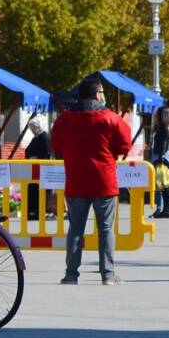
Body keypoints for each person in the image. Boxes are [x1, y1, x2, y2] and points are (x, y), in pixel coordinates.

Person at [51, 77, 131, 286]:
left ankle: (71, 274)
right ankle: (108, 275)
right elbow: (125, 145)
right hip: (104, 181)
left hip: (76, 181)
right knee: (105, 229)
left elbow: (57, 146)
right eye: (103, 92)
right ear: (97, 95)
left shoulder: (64, 120)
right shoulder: (111, 118)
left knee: (76, 228)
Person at [24, 116, 53, 221]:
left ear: (37, 126)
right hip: (32, 167)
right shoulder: (35, 137)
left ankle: (38, 212)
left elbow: (47, 153)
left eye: (32, 127)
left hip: (41, 169)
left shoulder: (44, 137)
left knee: (39, 192)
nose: (32, 130)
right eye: (30, 128)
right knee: (31, 190)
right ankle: (32, 211)